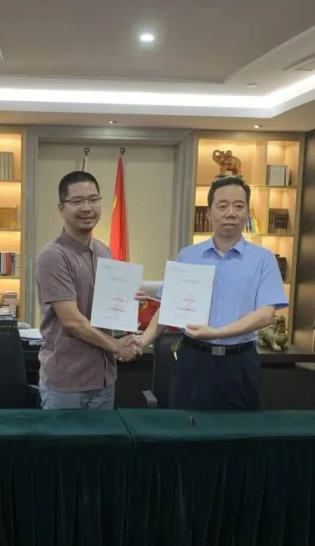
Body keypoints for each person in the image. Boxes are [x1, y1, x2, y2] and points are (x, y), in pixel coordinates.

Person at [137, 175, 287, 410]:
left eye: (239, 206)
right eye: (223, 206)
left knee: (244, 428)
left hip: (240, 362)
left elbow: (266, 314)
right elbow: (169, 308)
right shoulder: (188, 256)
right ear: (209, 214)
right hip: (194, 360)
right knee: (187, 426)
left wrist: (217, 333)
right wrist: (142, 341)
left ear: (247, 213)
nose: (231, 213)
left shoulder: (263, 259)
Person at [35, 170, 140, 409]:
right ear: (61, 208)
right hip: (68, 383)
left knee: (103, 436)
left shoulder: (104, 252)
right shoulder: (53, 256)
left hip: (103, 378)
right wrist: (117, 347)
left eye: (93, 199)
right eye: (77, 201)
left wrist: (128, 303)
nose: (87, 207)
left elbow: (106, 310)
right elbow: (72, 321)